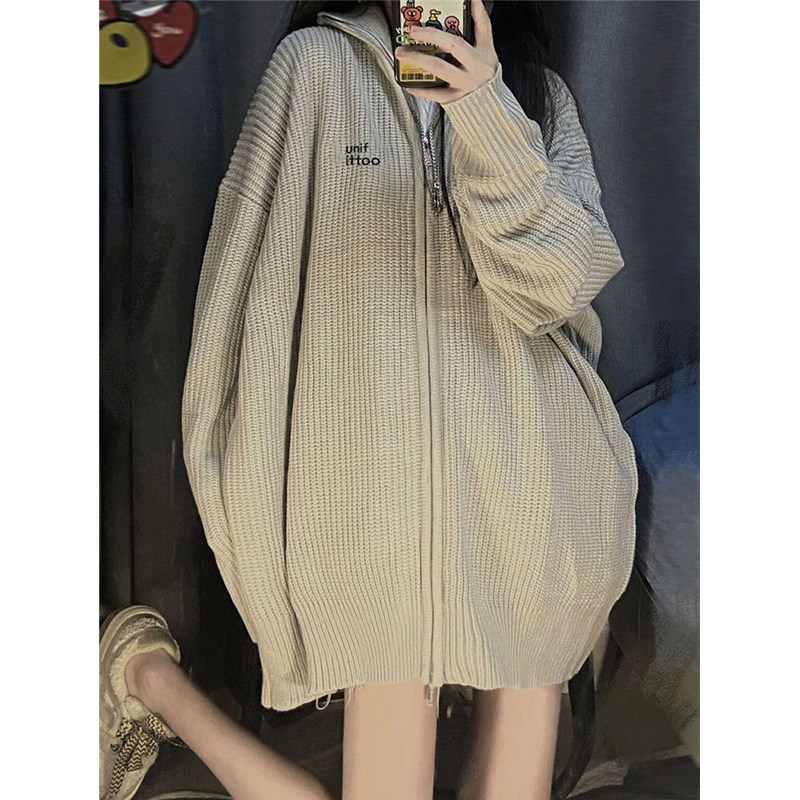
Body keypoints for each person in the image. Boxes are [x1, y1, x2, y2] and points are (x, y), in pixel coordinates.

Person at [99, 1, 638, 798]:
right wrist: (239, 470)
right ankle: (148, 677)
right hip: (366, 499)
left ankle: (145, 677)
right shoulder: (312, 69)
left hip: (532, 487)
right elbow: (242, 295)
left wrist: (485, 108)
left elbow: (557, 289)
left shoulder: (535, 94)